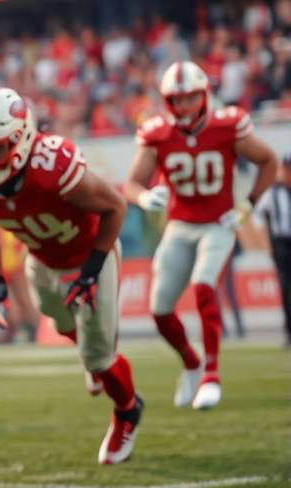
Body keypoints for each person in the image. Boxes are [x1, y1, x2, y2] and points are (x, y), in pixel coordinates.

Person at [0, 87, 142, 465]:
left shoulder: (51, 165)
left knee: (99, 358)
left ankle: (127, 409)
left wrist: (90, 273)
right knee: (59, 323)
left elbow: (115, 207)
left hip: (91, 255)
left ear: (21, 139)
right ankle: (91, 352)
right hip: (41, 259)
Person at [124, 61, 277, 410]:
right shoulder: (158, 133)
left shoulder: (227, 125)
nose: (183, 108)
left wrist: (247, 206)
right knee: (160, 310)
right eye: (176, 100)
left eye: (190, 98)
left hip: (217, 223)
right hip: (179, 225)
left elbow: (267, 160)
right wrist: (145, 197)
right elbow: (132, 183)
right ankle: (191, 363)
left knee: (205, 285)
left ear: (204, 96)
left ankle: (212, 374)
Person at [252, 153, 291, 346]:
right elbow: (257, 218)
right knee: (285, 287)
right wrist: (267, 245)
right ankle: (289, 331)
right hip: (282, 243)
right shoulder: (272, 193)